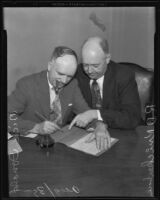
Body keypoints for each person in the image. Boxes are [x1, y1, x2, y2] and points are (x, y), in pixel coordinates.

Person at [8, 46, 111, 150]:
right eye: (60, 74)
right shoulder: (27, 85)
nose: (64, 80)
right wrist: (36, 127)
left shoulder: (72, 85)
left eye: (69, 76)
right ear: (49, 66)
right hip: (31, 146)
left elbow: (85, 112)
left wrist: (99, 126)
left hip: (58, 145)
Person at [74, 36, 141, 129]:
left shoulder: (124, 75)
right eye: (85, 65)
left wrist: (96, 114)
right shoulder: (77, 73)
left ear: (107, 58)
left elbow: (132, 118)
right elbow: (69, 110)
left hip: (119, 133)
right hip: (88, 131)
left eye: (95, 65)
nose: (89, 71)